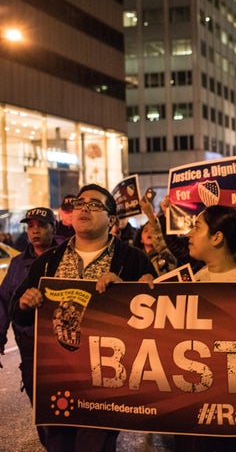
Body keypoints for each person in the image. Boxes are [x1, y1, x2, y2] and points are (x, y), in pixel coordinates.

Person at [9, 184, 156, 452]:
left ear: (112, 220)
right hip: (56, 377)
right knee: (58, 444)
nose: (84, 208)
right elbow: (17, 313)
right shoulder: (48, 260)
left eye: (95, 204)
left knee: (94, 445)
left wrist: (129, 290)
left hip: (105, 381)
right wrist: (25, 303)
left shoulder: (132, 260)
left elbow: (155, 320)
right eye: (79, 203)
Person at [177, 204, 236, 452]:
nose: (188, 234)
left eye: (196, 228)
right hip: (194, 416)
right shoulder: (187, 282)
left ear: (217, 237)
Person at [0, 208, 63, 397]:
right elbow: (3, 301)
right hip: (30, 344)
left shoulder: (69, 256)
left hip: (63, 342)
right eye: (30, 226)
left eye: (41, 226)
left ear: (54, 227)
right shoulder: (18, 263)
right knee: (38, 399)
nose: (35, 231)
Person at [132, 195, 178, 276]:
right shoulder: (135, 259)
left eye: (152, 230)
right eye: (146, 230)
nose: (150, 233)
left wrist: (151, 216)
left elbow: (162, 249)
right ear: (140, 239)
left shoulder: (165, 256)